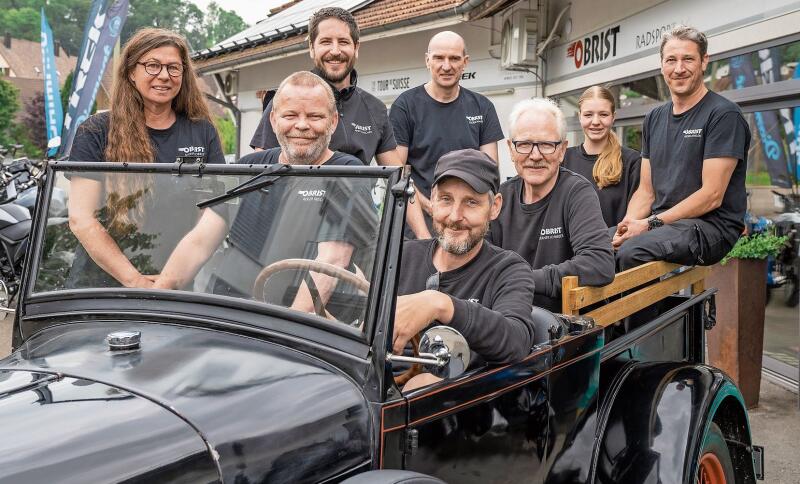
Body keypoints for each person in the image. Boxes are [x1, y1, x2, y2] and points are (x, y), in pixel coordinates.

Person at [154, 71, 376, 318]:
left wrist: (291, 325)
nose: (301, 125)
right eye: (290, 115)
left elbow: (330, 262)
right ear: (273, 119)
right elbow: (199, 242)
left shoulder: (348, 174)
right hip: (231, 313)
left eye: (314, 116)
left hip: (304, 328)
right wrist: (157, 299)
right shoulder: (249, 168)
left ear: (333, 122)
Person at [249, 7, 428, 238]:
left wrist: (425, 240)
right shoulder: (286, 100)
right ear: (312, 49)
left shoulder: (374, 109)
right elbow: (259, 178)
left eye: (343, 41)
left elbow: (400, 181)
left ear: (356, 48)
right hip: (288, 233)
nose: (335, 51)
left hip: (352, 230)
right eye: (325, 42)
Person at [67, 28, 224, 289]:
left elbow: (215, 211)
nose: (164, 75)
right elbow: (81, 219)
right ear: (131, 72)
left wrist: (171, 279)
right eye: (152, 65)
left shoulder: (202, 131)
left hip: (174, 285)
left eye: (174, 68)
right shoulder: (96, 130)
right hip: (99, 288)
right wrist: (136, 281)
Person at [393, 149, 536, 390]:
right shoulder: (402, 256)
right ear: (432, 199)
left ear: (495, 206)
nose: (455, 216)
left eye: (471, 202)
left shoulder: (509, 269)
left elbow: (516, 340)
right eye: (446, 199)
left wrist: (440, 303)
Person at [613, 26, 750, 270]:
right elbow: (646, 191)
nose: (679, 69)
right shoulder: (654, 117)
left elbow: (711, 196)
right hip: (663, 225)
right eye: (671, 60)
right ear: (662, 65)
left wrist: (649, 224)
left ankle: (645, 310)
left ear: (704, 61)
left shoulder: (723, 115)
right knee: (597, 247)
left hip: (710, 227)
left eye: (688, 59)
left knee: (631, 252)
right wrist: (627, 224)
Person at [487, 98, 615, 312]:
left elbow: (599, 263)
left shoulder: (576, 193)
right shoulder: (502, 196)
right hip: (508, 316)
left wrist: (522, 278)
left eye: (546, 145)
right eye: (525, 144)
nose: (535, 156)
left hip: (565, 326)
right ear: (511, 148)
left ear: (562, 150)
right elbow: (482, 261)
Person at [389, 31, 504, 235]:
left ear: (465, 62)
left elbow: (489, 173)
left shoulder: (482, 107)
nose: (446, 66)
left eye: (454, 58)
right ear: (427, 61)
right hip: (419, 223)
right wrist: (428, 209)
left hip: (466, 225)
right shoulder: (405, 106)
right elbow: (398, 174)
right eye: (439, 58)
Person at [563, 86, 641, 228]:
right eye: (588, 115)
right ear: (579, 116)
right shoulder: (563, 159)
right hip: (570, 249)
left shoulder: (631, 162)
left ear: (613, 117)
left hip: (615, 247)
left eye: (603, 114)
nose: (596, 121)